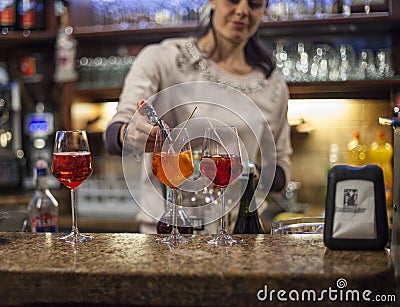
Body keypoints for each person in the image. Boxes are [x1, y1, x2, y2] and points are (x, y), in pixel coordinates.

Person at [104, 0, 292, 233]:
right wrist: (130, 134)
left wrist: (249, 171)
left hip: (239, 236)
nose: (243, 10)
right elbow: (114, 134)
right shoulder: (163, 59)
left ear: (263, 10)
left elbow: (281, 169)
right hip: (166, 235)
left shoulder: (272, 83)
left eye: (254, 4)